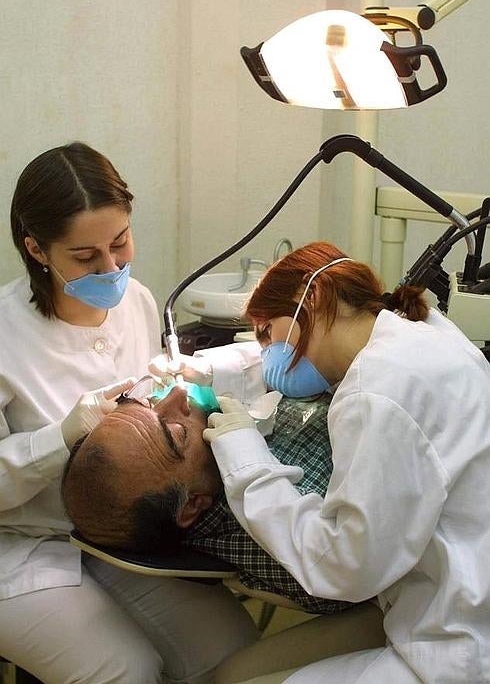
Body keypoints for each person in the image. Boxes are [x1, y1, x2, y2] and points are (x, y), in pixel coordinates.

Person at [0, 142, 257, 684]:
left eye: (120, 244)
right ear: (36, 248)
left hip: (118, 540)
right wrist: (63, 437)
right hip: (21, 549)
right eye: (86, 257)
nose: (112, 266)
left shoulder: (136, 300)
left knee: (232, 652)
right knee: (125, 671)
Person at [198, 240, 490, 683]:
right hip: (440, 599)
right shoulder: (424, 334)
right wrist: (201, 369)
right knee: (232, 673)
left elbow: (344, 565)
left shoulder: (374, 391)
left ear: (310, 299)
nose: (267, 353)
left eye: (266, 334)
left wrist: (247, 464)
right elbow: (278, 361)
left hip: (453, 642)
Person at [62, 387, 365, 615]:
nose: (178, 394)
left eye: (147, 402)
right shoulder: (264, 535)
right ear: (192, 504)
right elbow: (346, 578)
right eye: (177, 432)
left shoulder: (208, 461)